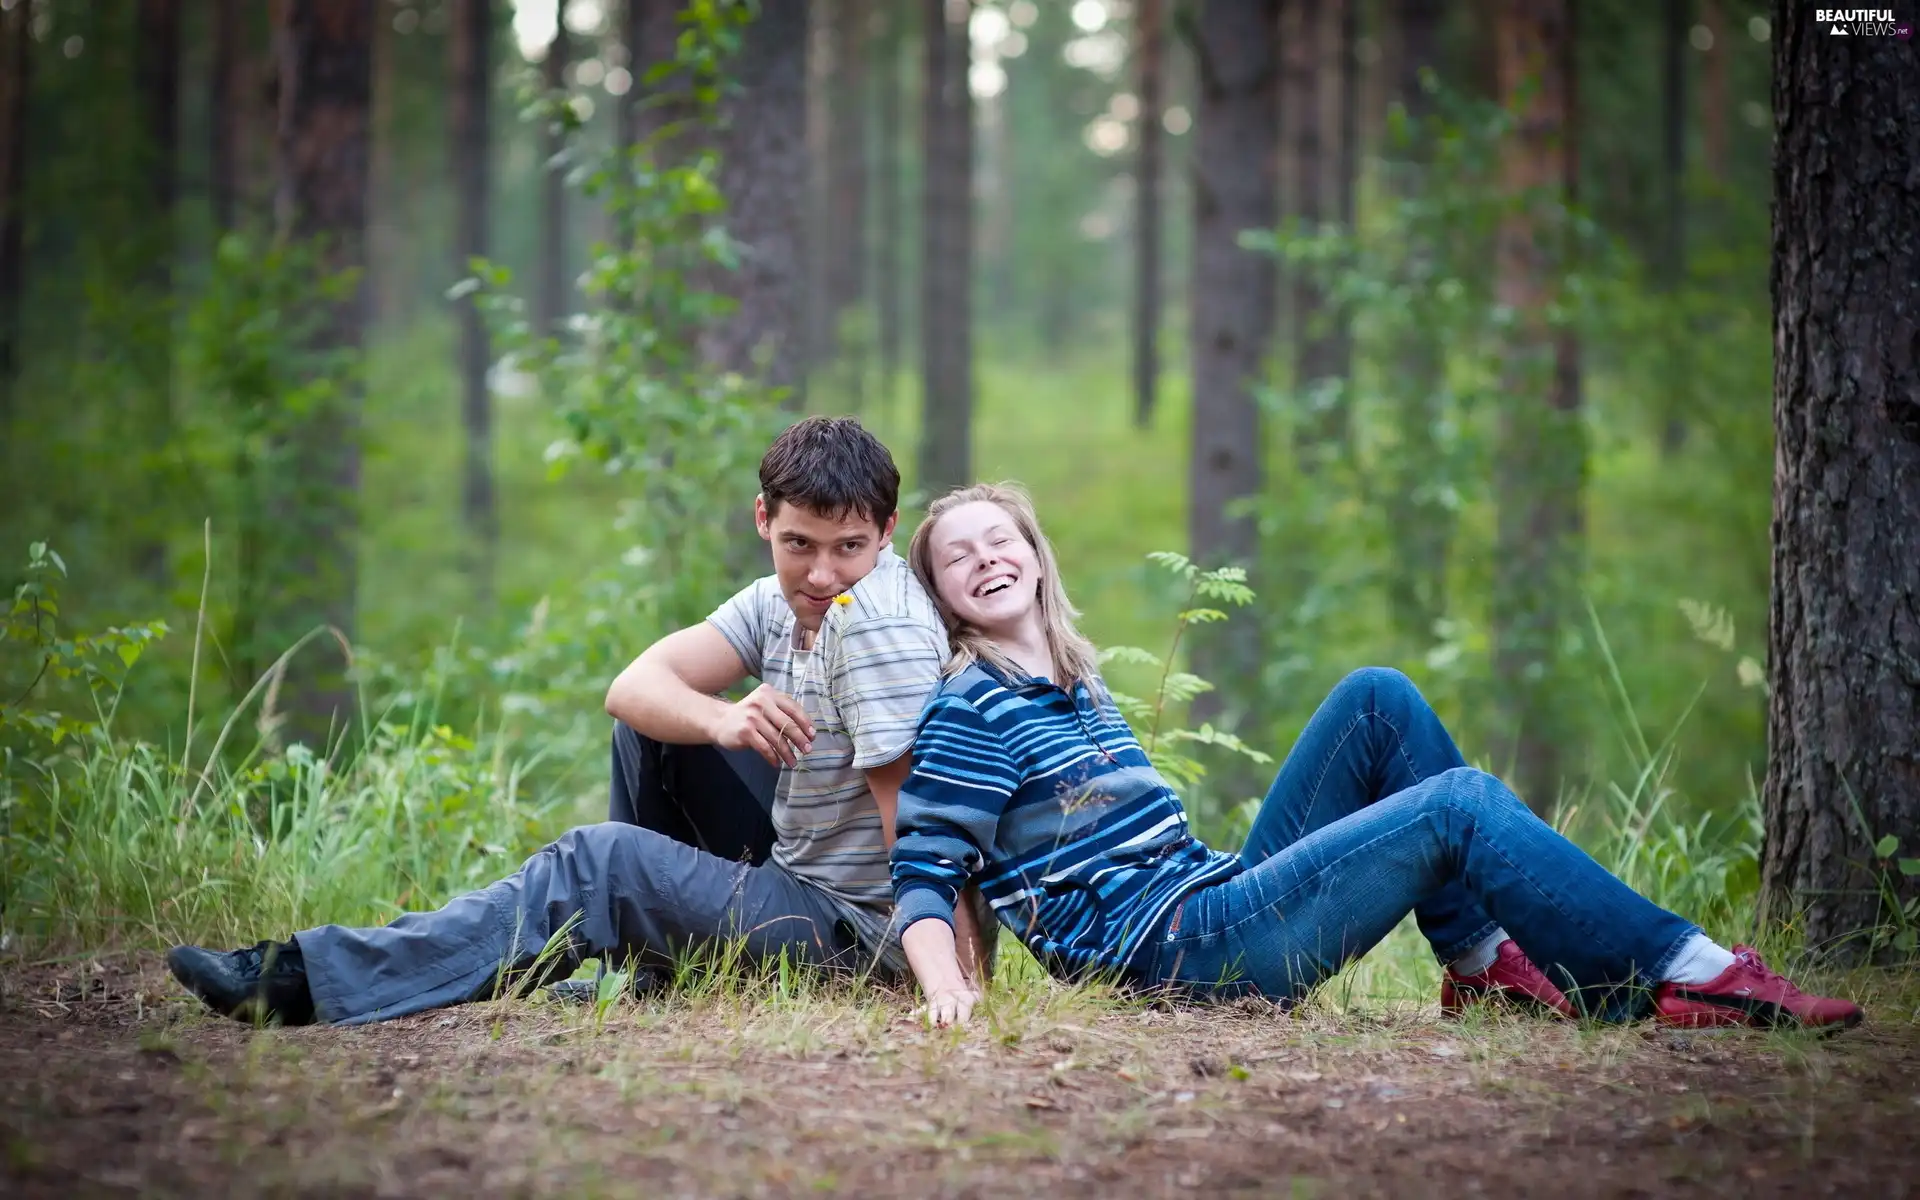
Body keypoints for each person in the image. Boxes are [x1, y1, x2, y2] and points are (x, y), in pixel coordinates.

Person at [887, 483, 1863, 1033]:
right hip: (1177, 956)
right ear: (944, 597)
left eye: (999, 537)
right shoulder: (974, 707)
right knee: (1458, 804)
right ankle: (1685, 973)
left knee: (1377, 700)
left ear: (1035, 553)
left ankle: (1480, 963)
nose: (984, 558)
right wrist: (948, 993)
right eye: (957, 557)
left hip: (1210, 897)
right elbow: (925, 869)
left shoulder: (1074, 678)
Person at [166, 417, 989, 1026]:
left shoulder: (871, 625)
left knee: (600, 862)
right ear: (763, 521)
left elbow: (921, 828)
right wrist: (723, 719)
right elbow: (634, 685)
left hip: (864, 938)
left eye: (848, 546)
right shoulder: (786, 597)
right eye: (800, 543)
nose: (821, 573)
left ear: (886, 530)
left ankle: (300, 978)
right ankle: (646, 967)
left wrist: (954, 981)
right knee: (657, 729)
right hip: (810, 881)